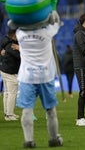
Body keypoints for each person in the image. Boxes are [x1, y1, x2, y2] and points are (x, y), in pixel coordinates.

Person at [15, 11, 63, 148]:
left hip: (26, 76)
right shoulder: (47, 33)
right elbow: (56, 21)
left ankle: (29, 141)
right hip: (45, 76)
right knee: (50, 110)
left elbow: (17, 20)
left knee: (27, 109)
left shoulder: (20, 34)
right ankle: (54, 139)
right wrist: (51, 7)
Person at [0, 28, 20, 121]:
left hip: (5, 70)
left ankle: (7, 113)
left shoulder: (5, 41)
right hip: (9, 71)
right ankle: (9, 114)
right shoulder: (11, 45)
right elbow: (19, 56)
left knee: (7, 93)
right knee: (12, 93)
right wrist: (20, 49)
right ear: (14, 35)